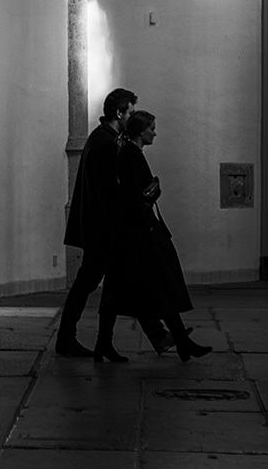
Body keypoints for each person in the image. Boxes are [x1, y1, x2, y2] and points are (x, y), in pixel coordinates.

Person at [56, 89, 170, 360]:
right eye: (130, 112)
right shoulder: (106, 142)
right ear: (119, 113)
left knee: (108, 284)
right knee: (115, 283)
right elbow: (109, 190)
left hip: (101, 228)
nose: (132, 117)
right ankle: (155, 335)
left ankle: (102, 341)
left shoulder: (103, 138)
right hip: (104, 230)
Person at [105, 109, 213, 361]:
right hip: (142, 233)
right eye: (151, 128)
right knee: (160, 287)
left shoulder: (130, 153)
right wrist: (151, 194)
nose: (155, 132)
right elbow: (133, 196)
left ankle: (178, 341)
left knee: (154, 290)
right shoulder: (131, 155)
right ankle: (180, 342)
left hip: (140, 230)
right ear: (141, 131)